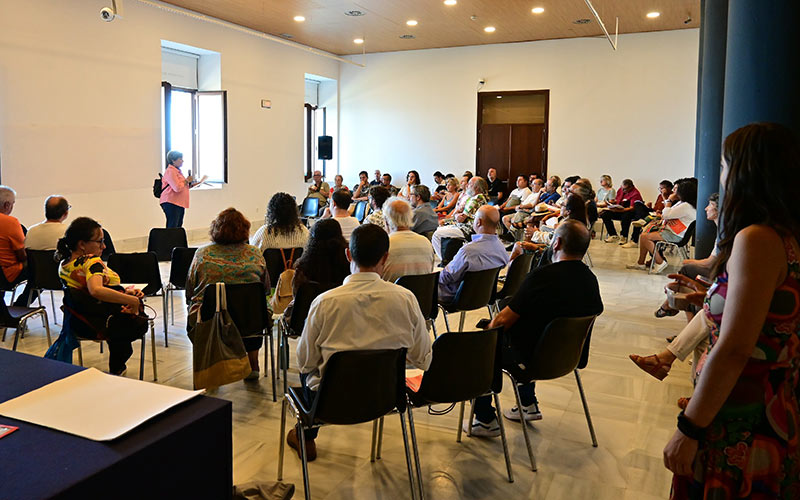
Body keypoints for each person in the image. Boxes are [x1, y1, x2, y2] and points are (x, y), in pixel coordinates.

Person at [664, 123, 800, 499]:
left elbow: (737, 347)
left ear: (744, 171)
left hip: (741, 416)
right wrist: (709, 297)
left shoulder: (756, 239)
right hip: (767, 405)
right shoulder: (784, 236)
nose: (721, 176)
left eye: (724, 165)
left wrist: (689, 429)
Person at [288, 224, 433, 461]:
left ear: (348, 255)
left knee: (308, 371)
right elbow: (424, 359)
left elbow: (305, 362)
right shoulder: (406, 298)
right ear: (385, 258)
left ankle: (305, 435)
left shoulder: (324, 303)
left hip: (331, 403)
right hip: (387, 396)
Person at [466, 220, 603, 435]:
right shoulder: (590, 280)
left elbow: (502, 321)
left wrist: (487, 331)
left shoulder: (542, 277)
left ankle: (484, 420)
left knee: (482, 347)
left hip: (532, 359)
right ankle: (527, 404)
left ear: (556, 243)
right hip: (568, 358)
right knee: (529, 336)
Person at [186, 208, 270, 381]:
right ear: (245, 230)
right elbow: (266, 289)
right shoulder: (255, 254)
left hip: (212, 320)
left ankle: (211, 363)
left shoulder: (202, 254)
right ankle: (253, 363)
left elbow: (190, 289)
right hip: (250, 320)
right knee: (254, 306)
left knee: (197, 307)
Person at [57, 217, 146, 376]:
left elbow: (88, 292)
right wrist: (131, 300)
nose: (104, 246)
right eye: (99, 241)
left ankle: (118, 367)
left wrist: (124, 293)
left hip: (78, 321)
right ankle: (118, 368)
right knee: (137, 322)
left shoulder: (64, 263)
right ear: (82, 244)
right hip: (103, 322)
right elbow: (96, 290)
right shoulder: (92, 262)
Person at [439, 205, 509, 304]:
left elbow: (447, 277)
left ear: (479, 222)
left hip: (457, 297)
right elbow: (504, 264)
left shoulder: (468, 251)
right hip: (486, 295)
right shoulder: (500, 247)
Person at [627, 178, 696, 273]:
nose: (675, 192)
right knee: (644, 234)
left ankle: (660, 262)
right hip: (672, 230)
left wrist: (669, 200)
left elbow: (666, 214)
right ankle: (640, 263)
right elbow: (667, 213)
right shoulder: (684, 203)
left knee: (644, 237)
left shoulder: (686, 206)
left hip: (675, 234)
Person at [431, 177, 489, 260]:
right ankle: (449, 258)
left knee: (437, 234)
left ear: (476, 188)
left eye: (470, 184)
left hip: (467, 230)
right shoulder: (480, 197)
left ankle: (445, 262)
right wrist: (455, 216)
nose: (467, 186)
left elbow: (460, 218)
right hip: (466, 227)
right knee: (440, 228)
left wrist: (454, 216)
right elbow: (459, 214)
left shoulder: (476, 198)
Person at [382, 198, 434, 282]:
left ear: (386, 221)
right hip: (422, 294)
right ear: (410, 217)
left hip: (393, 294)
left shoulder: (384, 244)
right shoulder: (426, 242)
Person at [0, 186, 32, 306]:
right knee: (39, 273)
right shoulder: (11, 222)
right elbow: (21, 255)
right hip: (7, 274)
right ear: (7, 205)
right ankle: (20, 306)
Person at [160, 150, 199, 228]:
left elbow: (182, 186)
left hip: (178, 202)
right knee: (173, 226)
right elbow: (177, 188)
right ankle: (171, 240)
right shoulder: (170, 171)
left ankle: (176, 240)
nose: (182, 161)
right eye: (180, 159)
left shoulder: (177, 171)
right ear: (173, 160)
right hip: (171, 202)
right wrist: (187, 181)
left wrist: (191, 185)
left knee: (178, 225)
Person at [599, 178, 643, 244]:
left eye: (625, 189)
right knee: (605, 214)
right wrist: (612, 203)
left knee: (626, 216)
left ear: (631, 187)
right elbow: (618, 200)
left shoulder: (635, 193)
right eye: (621, 187)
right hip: (619, 209)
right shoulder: (621, 189)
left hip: (630, 212)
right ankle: (613, 235)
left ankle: (624, 236)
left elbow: (631, 208)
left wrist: (620, 210)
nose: (622, 190)